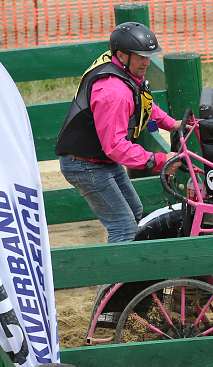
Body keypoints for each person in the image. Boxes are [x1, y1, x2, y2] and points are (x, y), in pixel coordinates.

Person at [55, 22, 184, 243]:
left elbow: (142, 102)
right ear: (122, 56)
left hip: (99, 159)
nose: (146, 62)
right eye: (140, 57)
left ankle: (129, 275)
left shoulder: (123, 71)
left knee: (134, 211)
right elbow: (115, 147)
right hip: (86, 164)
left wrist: (172, 124)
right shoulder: (113, 93)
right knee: (123, 227)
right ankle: (113, 278)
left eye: (148, 56)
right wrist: (159, 160)